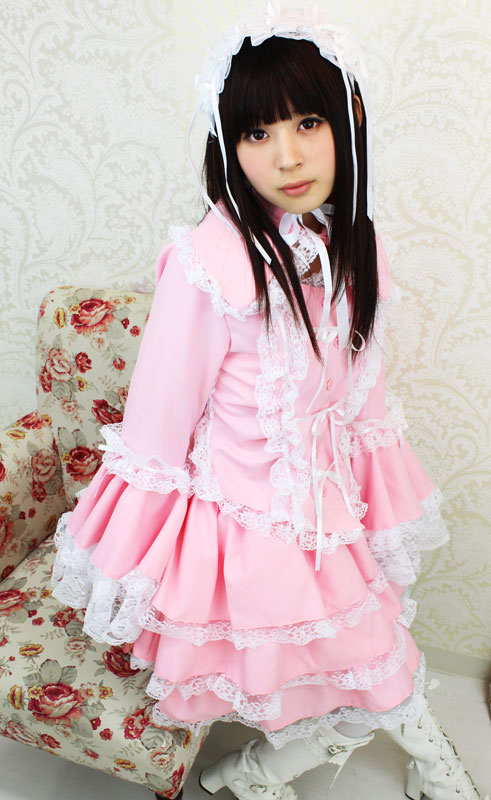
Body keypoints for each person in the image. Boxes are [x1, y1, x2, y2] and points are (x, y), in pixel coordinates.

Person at [50, 5, 487, 800]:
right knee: (378, 668)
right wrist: (132, 557)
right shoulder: (207, 263)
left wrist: (374, 513)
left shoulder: (355, 243)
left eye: (307, 122)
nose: (286, 156)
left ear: (347, 120)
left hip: (331, 515)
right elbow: (157, 426)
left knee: (373, 667)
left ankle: (253, 773)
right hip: (247, 534)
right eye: (257, 133)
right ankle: (425, 773)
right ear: (229, 144)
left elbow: (360, 398)